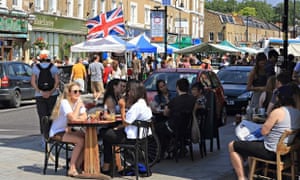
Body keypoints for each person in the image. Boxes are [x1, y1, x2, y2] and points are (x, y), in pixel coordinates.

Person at [228, 83, 300, 180]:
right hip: (285, 152)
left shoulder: (278, 112)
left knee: (232, 145)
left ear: (280, 98)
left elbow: (264, 132)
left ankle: (242, 177)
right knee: (247, 145)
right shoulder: (297, 112)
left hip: (270, 151)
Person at [101, 82, 152, 174]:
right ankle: (111, 165)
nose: (127, 93)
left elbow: (126, 122)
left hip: (131, 138)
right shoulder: (143, 103)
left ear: (133, 92)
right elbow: (130, 122)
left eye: (129, 91)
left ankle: (107, 166)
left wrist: (122, 107)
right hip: (140, 136)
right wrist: (119, 127)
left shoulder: (137, 106)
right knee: (108, 135)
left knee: (104, 133)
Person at [49, 82, 86, 177]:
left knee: (87, 138)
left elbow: (84, 116)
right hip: (57, 132)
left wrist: (78, 115)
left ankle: (78, 166)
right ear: (69, 93)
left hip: (67, 130)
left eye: (79, 91)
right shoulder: (64, 102)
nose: (78, 94)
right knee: (80, 141)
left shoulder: (77, 101)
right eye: (75, 91)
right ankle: (72, 167)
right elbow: (72, 118)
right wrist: (78, 107)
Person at [156, 78, 196, 158]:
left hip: (174, 127)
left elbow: (165, 113)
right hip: (187, 127)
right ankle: (174, 147)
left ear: (177, 87)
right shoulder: (192, 99)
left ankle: (163, 151)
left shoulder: (175, 100)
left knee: (158, 127)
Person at [31, 51, 60, 147]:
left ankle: (44, 138)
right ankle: (52, 136)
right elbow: (57, 82)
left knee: (42, 116)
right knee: (52, 115)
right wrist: (50, 92)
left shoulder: (36, 67)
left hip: (40, 96)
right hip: (52, 95)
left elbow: (33, 82)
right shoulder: (53, 67)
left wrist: (40, 92)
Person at [246, 52, 268, 118]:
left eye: (264, 63)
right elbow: (248, 88)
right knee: (257, 114)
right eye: (261, 63)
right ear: (258, 62)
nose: (263, 65)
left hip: (267, 95)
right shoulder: (253, 72)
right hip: (257, 96)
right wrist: (260, 88)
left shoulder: (267, 70)